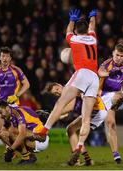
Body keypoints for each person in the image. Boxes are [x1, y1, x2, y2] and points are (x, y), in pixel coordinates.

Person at [38, 9, 99, 162]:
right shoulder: (93, 38)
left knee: (61, 102)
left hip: (83, 72)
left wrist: (71, 20)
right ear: (87, 29)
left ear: (76, 30)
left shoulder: (74, 39)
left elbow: (67, 31)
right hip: (94, 77)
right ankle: (79, 146)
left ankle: (44, 130)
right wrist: (93, 17)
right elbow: (92, 27)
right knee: (85, 119)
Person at [45, 82, 123, 165]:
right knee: (71, 129)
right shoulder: (68, 91)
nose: (58, 92)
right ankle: (86, 160)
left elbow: (70, 107)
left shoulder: (69, 88)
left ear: (59, 85)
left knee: (73, 131)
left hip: (96, 111)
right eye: (55, 93)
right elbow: (67, 112)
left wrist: (53, 114)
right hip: (92, 111)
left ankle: (79, 160)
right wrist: (56, 116)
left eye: (57, 89)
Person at [0, 100, 49, 165]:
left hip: (41, 139)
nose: (0, 116)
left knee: (12, 131)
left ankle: (28, 157)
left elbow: (22, 134)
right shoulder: (8, 116)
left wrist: (10, 150)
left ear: (7, 108)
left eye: (0, 112)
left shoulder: (18, 113)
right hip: (31, 138)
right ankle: (27, 157)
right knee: (4, 134)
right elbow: (2, 134)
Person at [0, 46, 30, 133]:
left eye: (7, 56)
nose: (5, 58)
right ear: (0, 58)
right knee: (0, 132)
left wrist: (16, 96)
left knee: (14, 132)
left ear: (10, 58)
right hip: (0, 105)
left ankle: (16, 146)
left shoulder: (16, 70)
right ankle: (8, 147)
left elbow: (27, 84)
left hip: (13, 104)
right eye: (3, 56)